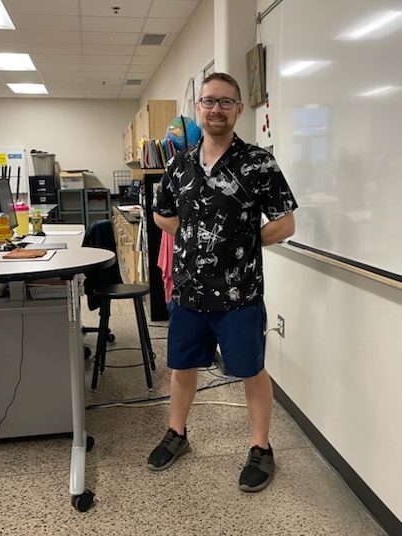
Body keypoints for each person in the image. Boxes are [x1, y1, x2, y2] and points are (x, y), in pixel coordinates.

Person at [148, 72, 298, 492]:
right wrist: (192, 235)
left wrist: (244, 243)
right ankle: (177, 434)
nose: (216, 109)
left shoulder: (258, 162)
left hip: (240, 293)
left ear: (238, 108)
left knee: (251, 370)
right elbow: (161, 213)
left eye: (225, 102)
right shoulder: (179, 164)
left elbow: (285, 223)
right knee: (181, 367)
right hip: (190, 290)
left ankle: (261, 448)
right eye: (209, 101)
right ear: (199, 107)